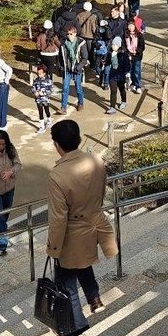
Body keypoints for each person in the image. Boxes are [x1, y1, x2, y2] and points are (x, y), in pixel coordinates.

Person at [46, 120, 118, 315]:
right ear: (79, 139)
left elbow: (58, 218)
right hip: (95, 223)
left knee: (66, 279)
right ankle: (95, 300)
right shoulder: (96, 160)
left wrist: (53, 247)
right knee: (83, 262)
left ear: (57, 145)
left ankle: (74, 322)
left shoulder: (57, 175)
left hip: (72, 230)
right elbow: (102, 193)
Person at [59, 25, 89, 114]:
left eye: (71, 34)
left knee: (78, 88)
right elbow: (61, 58)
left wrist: (78, 67)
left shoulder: (81, 43)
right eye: (67, 34)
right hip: (67, 69)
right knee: (64, 88)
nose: (69, 35)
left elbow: (85, 58)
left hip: (77, 69)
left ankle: (81, 103)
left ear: (75, 34)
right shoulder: (63, 44)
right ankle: (63, 108)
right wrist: (61, 67)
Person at [106, 37, 130, 114]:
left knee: (122, 89)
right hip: (112, 75)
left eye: (115, 45)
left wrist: (127, 72)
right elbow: (107, 62)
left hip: (121, 75)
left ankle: (124, 101)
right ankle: (112, 107)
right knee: (113, 91)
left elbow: (127, 64)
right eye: (112, 45)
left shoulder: (123, 54)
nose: (113, 46)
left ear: (119, 46)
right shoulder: (110, 53)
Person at [32, 63, 55, 133]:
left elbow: (51, 90)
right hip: (38, 99)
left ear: (44, 73)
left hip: (45, 99)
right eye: (38, 73)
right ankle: (42, 126)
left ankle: (49, 120)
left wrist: (44, 93)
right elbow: (33, 87)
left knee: (47, 111)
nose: (39, 75)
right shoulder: (36, 80)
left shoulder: (48, 80)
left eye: (40, 73)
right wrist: (34, 92)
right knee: (40, 112)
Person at [126, 24, 144, 94]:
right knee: (131, 71)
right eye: (129, 26)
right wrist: (128, 52)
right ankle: (132, 83)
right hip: (129, 55)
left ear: (134, 26)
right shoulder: (126, 35)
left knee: (137, 71)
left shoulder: (139, 35)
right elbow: (124, 45)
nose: (131, 28)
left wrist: (136, 51)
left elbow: (142, 46)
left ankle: (138, 86)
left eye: (132, 26)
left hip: (137, 55)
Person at [92, 22, 111, 88]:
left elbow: (109, 37)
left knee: (106, 69)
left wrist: (106, 29)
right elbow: (94, 41)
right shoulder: (97, 33)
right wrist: (97, 44)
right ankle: (101, 76)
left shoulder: (108, 33)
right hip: (98, 53)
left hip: (107, 53)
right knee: (97, 67)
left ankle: (106, 83)